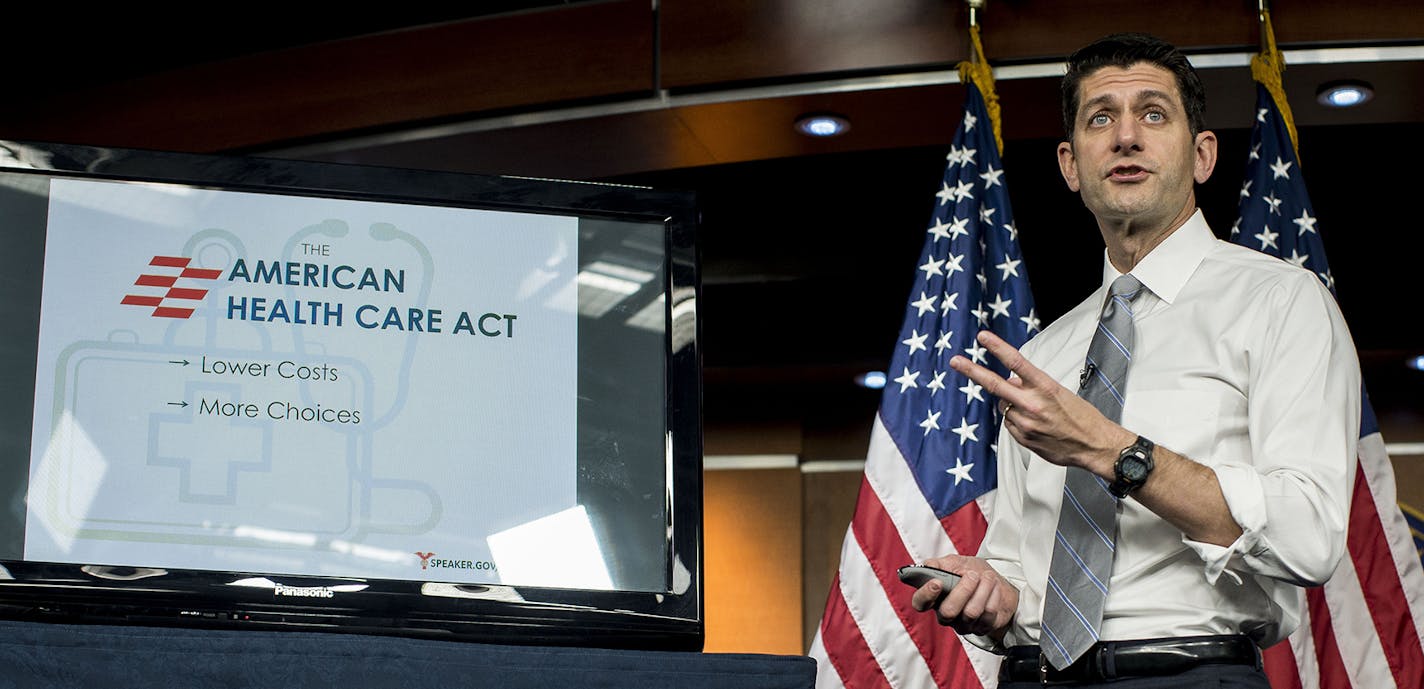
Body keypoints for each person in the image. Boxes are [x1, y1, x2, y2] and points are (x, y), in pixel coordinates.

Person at [909, 33, 1361, 687]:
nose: (1126, 137)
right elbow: (1015, 558)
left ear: (1202, 154)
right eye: (1101, 117)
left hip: (1190, 672)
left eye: (1153, 113)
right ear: (1071, 164)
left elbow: (1311, 535)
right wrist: (991, 590)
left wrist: (1112, 450)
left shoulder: (1282, 302)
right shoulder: (1043, 355)